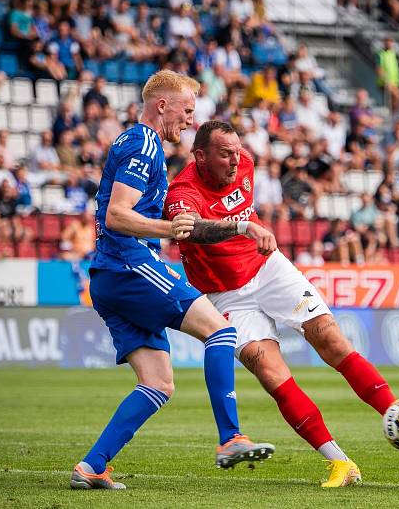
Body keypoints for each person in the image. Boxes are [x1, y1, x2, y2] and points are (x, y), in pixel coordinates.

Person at [165, 121, 399, 488]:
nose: (235, 161)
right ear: (200, 155)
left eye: (236, 151)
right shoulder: (183, 191)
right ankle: (340, 463)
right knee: (272, 375)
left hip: (268, 267)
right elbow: (191, 229)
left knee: (332, 340)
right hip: (226, 295)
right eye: (224, 154)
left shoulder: (245, 163)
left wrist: (251, 232)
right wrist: (244, 228)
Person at [71, 71, 273, 491]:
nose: (189, 120)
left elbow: (132, 213)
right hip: (129, 264)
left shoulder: (132, 143)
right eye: (186, 110)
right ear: (162, 105)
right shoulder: (145, 144)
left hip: (110, 275)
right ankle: (231, 438)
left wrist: (230, 228)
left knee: (158, 382)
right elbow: (118, 216)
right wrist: (169, 229)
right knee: (220, 331)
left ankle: (92, 465)